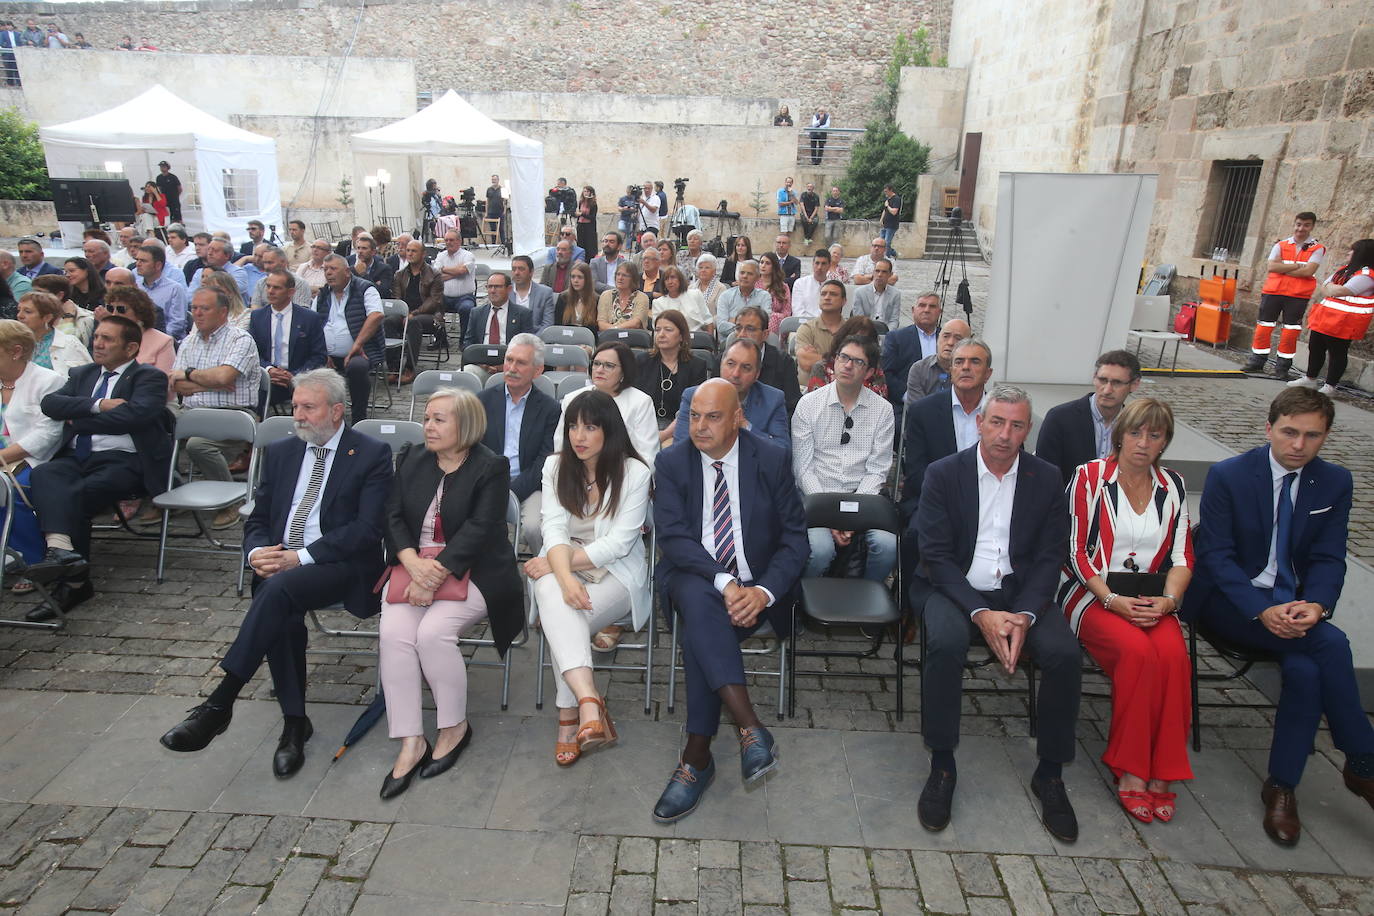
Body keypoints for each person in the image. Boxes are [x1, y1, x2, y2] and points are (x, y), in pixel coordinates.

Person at [159, 371, 393, 778]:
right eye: (296, 405)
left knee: (279, 589)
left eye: (308, 407)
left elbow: (367, 530)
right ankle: (293, 723)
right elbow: (260, 518)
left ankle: (222, 701)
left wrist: (299, 557)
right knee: (279, 599)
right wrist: (256, 554)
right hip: (282, 567)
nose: (297, 416)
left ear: (336, 411)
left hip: (341, 565)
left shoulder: (370, 453)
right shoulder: (284, 451)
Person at [1184, 387, 1374, 846]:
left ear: (1325, 438)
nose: (1298, 445)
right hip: (1230, 604)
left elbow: (1330, 558)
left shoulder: (1334, 483)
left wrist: (1318, 605)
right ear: (1269, 428)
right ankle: (1363, 759)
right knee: (1330, 644)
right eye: (1289, 432)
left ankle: (1282, 786)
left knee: (1307, 669)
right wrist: (1261, 610)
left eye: (1312, 436)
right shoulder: (1230, 476)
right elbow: (1217, 558)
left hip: (1294, 606)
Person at [915, 385, 1080, 841]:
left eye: (1017, 425)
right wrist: (981, 612)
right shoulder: (944, 473)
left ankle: (1050, 771)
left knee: (1064, 653)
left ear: (1028, 430)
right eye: (997, 422)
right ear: (980, 423)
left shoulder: (1046, 478)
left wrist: (1024, 615)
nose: (1005, 434)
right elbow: (936, 557)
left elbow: (1050, 557)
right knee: (946, 643)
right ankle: (943, 762)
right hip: (956, 590)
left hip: (1023, 593)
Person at [650, 379, 808, 822]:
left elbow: (796, 542)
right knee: (701, 599)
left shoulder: (771, 459)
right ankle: (749, 728)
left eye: (712, 416)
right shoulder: (672, 462)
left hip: (757, 587)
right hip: (697, 575)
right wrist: (725, 582)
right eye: (693, 416)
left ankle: (697, 757)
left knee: (703, 632)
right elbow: (675, 538)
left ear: (738, 417)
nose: (699, 426)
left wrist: (761, 592)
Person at [377, 387, 523, 798]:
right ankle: (411, 739)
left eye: (439, 419)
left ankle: (454, 726)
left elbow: (480, 529)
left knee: (432, 634)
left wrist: (435, 573)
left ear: (467, 425)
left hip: (475, 570)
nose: (428, 426)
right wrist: (411, 564)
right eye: (427, 418)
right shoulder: (411, 458)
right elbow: (390, 516)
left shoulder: (491, 466)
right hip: (413, 565)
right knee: (394, 635)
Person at [1056, 398, 1194, 826]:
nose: (1143, 442)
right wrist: (1112, 600)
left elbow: (1183, 555)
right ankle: (1132, 767)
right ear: (1120, 435)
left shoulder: (1173, 485)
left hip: (1153, 598)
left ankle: (1164, 770)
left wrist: (1170, 602)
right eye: (1135, 432)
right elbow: (1075, 552)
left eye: (1154, 435)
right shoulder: (1090, 477)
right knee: (1138, 654)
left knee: (1173, 657)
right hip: (1093, 593)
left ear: (1165, 441)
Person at [527, 389, 652, 766]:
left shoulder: (635, 472)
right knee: (560, 605)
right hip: (566, 570)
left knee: (558, 617)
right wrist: (565, 578)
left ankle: (570, 718)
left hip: (618, 572)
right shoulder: (555, 466)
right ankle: (588, 704)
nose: (578, 437)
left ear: (609, 430)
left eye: (590, 427)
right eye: (573, 427)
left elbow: (618, 544)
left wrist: (557, 564)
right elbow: (552, 528)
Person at [26, 316, 172, 615]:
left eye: (108, 339)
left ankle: (72, 583)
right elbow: (50, 405)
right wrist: (98, 405)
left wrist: (77, 418)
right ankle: (65, 555)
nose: (98, 343)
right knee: (43, 474)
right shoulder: (82, 374)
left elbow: (134, 417)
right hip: (76, 457)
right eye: (97, 337)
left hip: (125, 461)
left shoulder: (148, 377)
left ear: (131, 348)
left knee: (77, 493)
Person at [792, 336, 896, 581]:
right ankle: (803, 605)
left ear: (869, 371)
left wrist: (853, 517)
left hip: (863, 498)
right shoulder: (808, 404)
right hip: (816, 497)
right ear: (834, 362)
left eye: (857, 362)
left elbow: (877, 471)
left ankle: (868, 602)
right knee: (820, 550)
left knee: (887, 546)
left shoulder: (883, 410)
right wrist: (829, 515)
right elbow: (803, 469)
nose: (847, 365)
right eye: (843, 357)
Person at [169, 287, 262, 526]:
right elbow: (178, 386)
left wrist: (190, 374)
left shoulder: (240, 339)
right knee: (152, 427)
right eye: (194, 308)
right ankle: (164, 492)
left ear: (223, 312)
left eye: (204, 308)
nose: (197, 314)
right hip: (193, 413)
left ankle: (230, 504)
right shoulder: (189, 341)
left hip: (234, 415)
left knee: (198, 445)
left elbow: (223, 377)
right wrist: (212, 384)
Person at [0, 320, 67, 601]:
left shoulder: (48, 381)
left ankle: (31, 560)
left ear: (16, 351)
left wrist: (2, 456)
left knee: (15, 489)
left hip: (31, 459)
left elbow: (48, 433)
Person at [477, 334, 560, 556]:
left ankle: (542, 581)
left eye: (521, 363)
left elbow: (545, 460)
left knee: (535, 528)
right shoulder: (482, 401)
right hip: (486, 482)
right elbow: (473, 450)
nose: (512, 368)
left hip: (530, 485)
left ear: (537, 371)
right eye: (509, 360)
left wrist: (511, 491)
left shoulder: (550, 409)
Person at [899, 337, 994, 519]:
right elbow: (917, 473)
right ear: (951, 370)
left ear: (988, 373)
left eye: (975, 362)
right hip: (934, 501)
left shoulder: (1001, 414)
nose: (966, 367)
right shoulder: (923, 412)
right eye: (959, 362)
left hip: (988, 502)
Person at [1037, 350, 1143, 486]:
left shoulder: (1137, 425)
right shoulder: (1059, 418)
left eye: (1117, 383)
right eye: (1103, 380)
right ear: (1094, 377)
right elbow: (1044, 476)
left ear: (1134, 384)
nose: (1107, 390)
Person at [1243, 212, 1325, 379]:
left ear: (1312, 227)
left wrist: (1285, 268)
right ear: (1294, 224)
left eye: (1306, 225)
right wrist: (1296, 267)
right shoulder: (1281, 245)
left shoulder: (1317, 249)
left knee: (1290, 331)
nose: (1301, 228)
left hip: (1298, 296)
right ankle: (1256, 362)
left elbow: (1309, 271)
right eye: (1299, 224)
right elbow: (1272, 267)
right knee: (1263, 327)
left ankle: (1282, 368)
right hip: (1273, 292)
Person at [1288, 238, 1374, 394]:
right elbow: (1324, 287)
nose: (1349, 253)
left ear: (1361, 254)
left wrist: (1331, 288)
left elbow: (1340, 290)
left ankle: (1330, 386)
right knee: (1315, 347)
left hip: (1344, 322)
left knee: (1337, 353)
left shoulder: (1367, 275)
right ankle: (1310, 378)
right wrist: (1330, 288)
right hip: (1325, 317)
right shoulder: (1346, 269)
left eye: (1352, 250)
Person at [558, 340, 659, 462]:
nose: (599, 370)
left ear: (624, 371)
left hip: (624, 473)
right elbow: (560, 447)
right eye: (596, 363)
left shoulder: (641, 402)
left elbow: (647, 454)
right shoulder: (572, 399)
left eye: (609, 365)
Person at [315, 254, 384, 424]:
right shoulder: (323, 294)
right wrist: (322, 352)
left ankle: (358, 417)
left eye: (333, 269)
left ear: (347, 271)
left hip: (361, 352)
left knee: (357, 367)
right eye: (325, 269)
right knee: (309, 365)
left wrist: (357, 344)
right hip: (328, 355)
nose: (328, 273)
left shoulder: (365, 289)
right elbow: (313, 323)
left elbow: (376, 315)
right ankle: (320, 416)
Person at [250, 270, 328, 410]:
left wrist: (295, 375)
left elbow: (319, 355)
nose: (270, 291)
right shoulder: (257, 317)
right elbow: (253, 353)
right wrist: (268, 369)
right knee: (255, 396)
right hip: (269, 377)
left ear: (291, 292)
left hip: (301, 376)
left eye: (277, 288)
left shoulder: (309, 318)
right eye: (268, 286)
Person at [636, 309, 710, 446]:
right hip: (644, 427)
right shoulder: (641, 361)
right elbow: (634, 402)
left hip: (681, 427)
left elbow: (692, 410)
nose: (661, 334)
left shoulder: (696, 366)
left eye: (668, 330)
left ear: (681, 336)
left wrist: (664, 435)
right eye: (658, 330)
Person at [387, 239, 444, 385]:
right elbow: (396, 298)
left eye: (414, 251)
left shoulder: (434, 275)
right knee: (388, 321)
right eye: (408, 250)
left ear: (423, 254)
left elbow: (434, 301)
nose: (410, 253)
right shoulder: (399, 274)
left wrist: (414, 313)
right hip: (404, 314)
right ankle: (393, 367)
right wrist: (403, 313)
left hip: (429, 316)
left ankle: (409, 368)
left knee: (412, 322)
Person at [880, 290, 940, 414]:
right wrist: (910, 397)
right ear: (913, 310)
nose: (927, 310)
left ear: (939, 312)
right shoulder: (896, 338)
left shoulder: (947, 338)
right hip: (905, 405)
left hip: (940, 404)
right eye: (922, 305)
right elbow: (887, 373)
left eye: (932, 306)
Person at [105, 286, 175, 387]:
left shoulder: (163, 341)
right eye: (110, 308)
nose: (114, 314)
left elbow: (165, 384)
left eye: (121, 309)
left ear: (139, 313)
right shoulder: (105, 338)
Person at [804, 315, 888, 398]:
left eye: (863, 342)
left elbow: (879, 403)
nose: (856, 344)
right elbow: (815, 401)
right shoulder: (821, 367)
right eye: (852, 339)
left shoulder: (875, 372)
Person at [16, 292, 91, 377]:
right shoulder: (11, 343)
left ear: (47, 317)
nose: (19, 315)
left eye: (28, 312)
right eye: (19, 310)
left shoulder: (70, 344)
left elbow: (87, 378)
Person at [794, 279, 847, 386]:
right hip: (808, 393)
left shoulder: (851, 329)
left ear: (844, 301)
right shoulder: (806, 329)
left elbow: (856, 365)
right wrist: (843, 360)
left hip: (844, 390)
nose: (827, 297)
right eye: (823, 294)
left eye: (833, 294)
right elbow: (806, 363)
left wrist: (817, 357)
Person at [906, 317, 971, 404]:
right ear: (938, 339)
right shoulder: (919, 369)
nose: (950, 342)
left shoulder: (971, 373)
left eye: (958, 338)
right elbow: (918, 411)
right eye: (945, 336)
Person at [134, 243, 190, 340]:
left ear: (158, 265)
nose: (138, 264)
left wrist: (155, 339)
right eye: (137, 260)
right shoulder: (136, 287)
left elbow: (177, 324)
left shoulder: (175, 289)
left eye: (143, 261)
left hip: (165, 341)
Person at [464, 272, 534, 347]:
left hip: (509, 355)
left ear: (509, 289)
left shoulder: (523, 314)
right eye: (490, 287)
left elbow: (527, 345)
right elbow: (468, 342)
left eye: (497, 287)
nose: (493, 291)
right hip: (481, 355)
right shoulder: (477, 313)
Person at [432, 230, 477, 343]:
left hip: (465, 297)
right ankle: (441, 340)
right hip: (444, 296)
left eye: (451, 240)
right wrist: (456, 272)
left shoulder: (468, 255)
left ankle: (465, 341)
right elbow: (435, 276)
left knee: (466, 309)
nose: (448, 242)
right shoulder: (441, 256)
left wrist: (444, 269)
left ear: (459, 241)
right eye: (446, 240)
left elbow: (463, 270)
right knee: (431, 306)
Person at [32, 275, 94, 346]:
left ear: (59, 295)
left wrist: (68, 317)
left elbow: (66, 345)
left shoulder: (85, 319)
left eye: (40, 293)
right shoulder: (35, 315)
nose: (34, 297)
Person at [189, 239, 252, 304]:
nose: (210, 253)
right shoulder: (200, 272)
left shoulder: (238, 272)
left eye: (215, 251)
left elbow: (231, 294)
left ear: (227, 255)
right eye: (208, 249)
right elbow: (190, 296)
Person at [715, 260, 770, 332]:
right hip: (730, 341)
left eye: (750, 274)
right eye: (742, 273)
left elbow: (764, 324)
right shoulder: (725, 296)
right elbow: (721, 326)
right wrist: (751, 325)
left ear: (758, 278)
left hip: (755, 341)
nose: (745, 276)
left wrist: (735, 321)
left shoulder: (764, 296)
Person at [654, 265, 711, 331]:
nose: (670, 282)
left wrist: (709, 340)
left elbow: (708, 321)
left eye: (673, 277)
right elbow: (658, 329)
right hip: (671, 339)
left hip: (696, 338)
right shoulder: (658, 303)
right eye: (666, 279)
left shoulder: (695, 295)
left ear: (680, 279)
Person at [596, 262, 650, 331]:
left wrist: (615, 329)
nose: (620, 278)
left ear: (633, 278)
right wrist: (614, 331)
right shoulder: (606, 295)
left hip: (633, 337)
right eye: (618, 274)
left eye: (625, 275)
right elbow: (601, 324)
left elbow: (636, 323)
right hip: (609, 337)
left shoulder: (642, 297)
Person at [510, 255, 556, 332]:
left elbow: (547, 325)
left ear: (531, 272)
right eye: (514, 269)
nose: (516, 273)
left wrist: (532, 341)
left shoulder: (545, 293)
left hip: (534, 339)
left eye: (521, 269)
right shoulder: (505, 291)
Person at [852, 258, 901, 327]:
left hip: (886, 331)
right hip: (865, 331)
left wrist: (888, 335)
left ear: (890, 274)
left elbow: (894, 320)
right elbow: (859, 320)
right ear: (873, 272)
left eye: (884, 272)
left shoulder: (895, 294)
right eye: (877, 271)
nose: (880, 275)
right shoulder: (859, 293)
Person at [554, 262, 601, 334]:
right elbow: (557, 325)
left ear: (587, 279)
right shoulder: (563, 297)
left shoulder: (596, 300)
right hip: (565, 340)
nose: (575, 280)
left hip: (587, 341)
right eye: (573, 277)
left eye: (580, 277)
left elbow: (596, 329)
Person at [345, 233, 392, 298]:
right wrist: (375, 284)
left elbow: (383, 293)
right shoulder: (350, 269)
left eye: (364, 248)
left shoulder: (384, 269)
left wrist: (364, 275)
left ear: (373, 252)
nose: (360, 251)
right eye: (358, 248)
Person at [756, 252, 792, 335]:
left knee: (774, 318)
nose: (763, 265)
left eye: (767, 263)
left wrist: (773, 317)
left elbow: (787, 311)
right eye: (761, 262)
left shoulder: (783, 287)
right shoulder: (754, 283)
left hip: (776, 322)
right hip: (756, 319)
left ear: (774, 266)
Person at [791, 249, 830, 320]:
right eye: (817, 263)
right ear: (813, 264)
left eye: (823, 263)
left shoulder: (833, 286)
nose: (819, 267)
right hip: (803, 324)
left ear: (829, 266)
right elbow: (797, 311)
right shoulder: (800, 283)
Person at [691, 254, 726, 320]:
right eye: (700, 267)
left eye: (707, 267)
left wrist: (706, 323)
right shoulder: (690, 288)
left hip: (711, 327)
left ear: (714, 271)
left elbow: (722, 314)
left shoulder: (721, 288)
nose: (703, 270)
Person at [879, 184, 902, 259]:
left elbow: (894, 212)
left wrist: (887, 206)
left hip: (892, 225)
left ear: (891, 190)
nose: (885, 193)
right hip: (885, 224)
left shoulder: (896, 199)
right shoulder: (888, 199)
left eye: (886, 191)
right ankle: (893, 252)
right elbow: (885, 211)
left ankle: (887, 258)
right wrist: (881, 220)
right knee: (881, 242)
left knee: (887, 242)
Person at [575, 186, 599, 258]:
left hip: (589, 226)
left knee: (589, 244)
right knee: (580, 243)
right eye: (584, 191)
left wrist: (582, 214)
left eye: (587, 191)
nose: (585, 193)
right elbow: (579, 213)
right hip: (581, 225)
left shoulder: (593, 204)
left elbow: (592, 217)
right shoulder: (581, 202)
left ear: (591, 193)